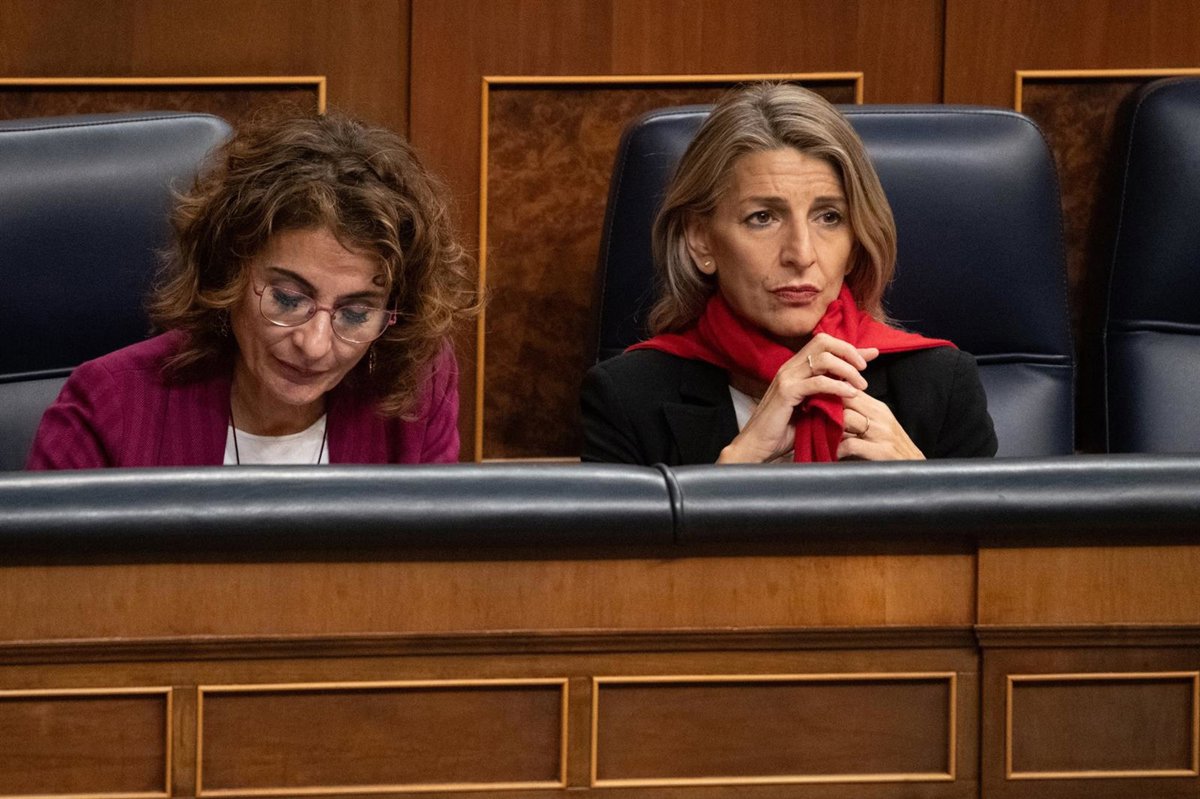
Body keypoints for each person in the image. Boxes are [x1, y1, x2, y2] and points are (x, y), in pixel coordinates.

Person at [28, 109, 477, 468]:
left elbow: (431, 555)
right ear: (231, 273)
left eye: (356, 314)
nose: (315, 345)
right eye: (288, 299)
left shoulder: (416, 388)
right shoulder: (107, 406)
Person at [581, 84, 997, 465]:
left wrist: (923, 488)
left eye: (829, 217)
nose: (801, 254)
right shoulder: (625, 400)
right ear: (701, 241)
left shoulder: (942, 387)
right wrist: (726, 480)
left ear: (855, 244)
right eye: (763, 217)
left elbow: (993, 527)